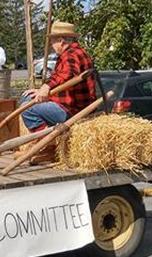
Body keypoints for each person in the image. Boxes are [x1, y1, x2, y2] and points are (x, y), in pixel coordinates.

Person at [19, 21, 96, 162]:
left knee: (27, 109)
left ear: (61, 41)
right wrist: (40, 90)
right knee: (27, 99)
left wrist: (47, 87)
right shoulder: (75, 52)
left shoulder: (71, 55)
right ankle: (42, 142)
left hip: (74, 111)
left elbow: (70, 73)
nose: (52, 45)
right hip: (69, 105)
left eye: (53, 41)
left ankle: (48, 145)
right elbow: (61, 78)